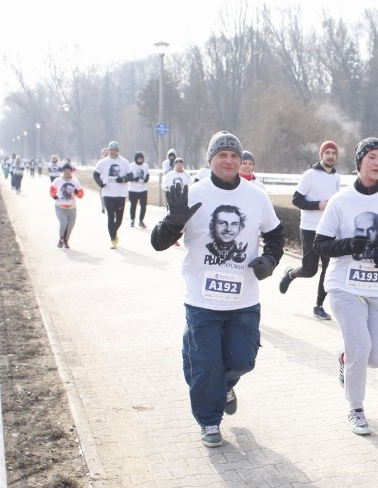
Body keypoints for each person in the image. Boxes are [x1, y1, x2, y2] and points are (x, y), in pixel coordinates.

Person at [150, 131, 284, 448]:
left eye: (234, 155)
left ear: (241, 161)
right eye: (222, 155)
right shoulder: (195, 193)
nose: (229, 160)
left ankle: (219, 382)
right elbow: (157, 243)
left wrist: (270, 260)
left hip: (244, 299)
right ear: (211, 159)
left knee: (242, 361)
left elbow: (277, 237)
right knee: (207, 364)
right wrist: (173, 221)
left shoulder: (257, 196)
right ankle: (210, 421)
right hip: (202, 299)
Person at [313, 137, 378, 435]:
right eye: (371, 156)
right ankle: (356, 408)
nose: (377, 162)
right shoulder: (341, 201)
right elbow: (320, 244)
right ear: (359, 162)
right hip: (345, 286)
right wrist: (348, 245)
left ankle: (345, 359)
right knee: (361, 346)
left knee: (377, 357)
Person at [279, 140, 341, 320]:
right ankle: (290, 274)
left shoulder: (337, 178)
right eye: (327, 152)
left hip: (330, 231)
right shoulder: (309, 175)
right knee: (310, 269)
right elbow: (296, 200)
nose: (330, 156)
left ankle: (318, 306)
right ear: (321, 155)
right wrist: (318, 205)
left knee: (329, 269)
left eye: (333, 153)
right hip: (310, 229)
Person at [93, 140, 133, 249]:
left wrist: (123, 179)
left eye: (114, 149)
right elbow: (95, 174)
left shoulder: (124, 162)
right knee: (111, 217)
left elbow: (131, 176)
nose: (112, 151)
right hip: (108, 194)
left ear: (118, 150)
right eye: (111, 149)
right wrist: (100, 183)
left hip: (121, 194)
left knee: (119, 219)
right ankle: (113, 239)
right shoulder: (103, 162)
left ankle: (113, 233)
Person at [49, 162, 84, 248]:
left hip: (71, 207)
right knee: (64, 223)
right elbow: (52, 190)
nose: (67, 172)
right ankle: (61, 239)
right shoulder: (58, 180)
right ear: (63, 171)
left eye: (69, 170)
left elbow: (81, 194)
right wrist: (54, 195)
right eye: (65, 171)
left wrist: (77, 193)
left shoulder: (75, 181)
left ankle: (66, 240)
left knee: (70, 225)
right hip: (60, 207)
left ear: (71, 171)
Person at [129, 151, 150, 228]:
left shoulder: (145, 166)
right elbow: (129, 177)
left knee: (143, 205)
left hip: (143, 189)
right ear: (135, 159)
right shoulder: (131, 166)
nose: (140, 160)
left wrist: (146, 179)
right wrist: (134, 179)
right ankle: (132, 220)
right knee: (133, 205)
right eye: (138, 158)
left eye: (141, 158)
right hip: (133, 189)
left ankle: (141, 220)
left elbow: (147, 175)